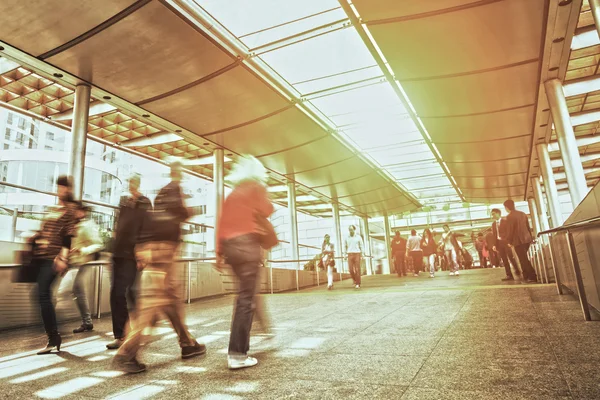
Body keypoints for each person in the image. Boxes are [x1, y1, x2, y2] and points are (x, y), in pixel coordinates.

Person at [113, 161, 205, 373]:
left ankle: (187, 344)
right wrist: (190, 210)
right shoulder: (175, 189)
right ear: (177, 173)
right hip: (164, 250)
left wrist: (142, 247)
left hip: (152, 247)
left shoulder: (160, 194)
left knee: (171, 299)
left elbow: (151, 221)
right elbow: (181, 212)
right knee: (153, 301)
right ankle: (126, 353)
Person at [217, 155, 276, 370]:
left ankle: (238, 351)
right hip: (247, 246)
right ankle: (238, 354)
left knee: (243, 298)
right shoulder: (255, 187)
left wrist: (218, 253)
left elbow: (221, 224)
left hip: (230, 250)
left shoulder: (232, 193)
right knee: (246, 301)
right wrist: (264, 192)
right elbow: (268, 209)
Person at [30, 176, 78, 354]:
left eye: (64, 187)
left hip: (55, 258)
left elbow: (68, 236)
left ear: (69, 189)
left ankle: (53, 336)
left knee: (42, 293)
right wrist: (35, 236)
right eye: (59, 187)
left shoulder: (70, 211)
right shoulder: (53, 209)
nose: (60, 190)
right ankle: (53, 335)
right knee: (40, 294)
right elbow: (43, 231)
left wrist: (63, 257)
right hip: (41, 257)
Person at [107, 174, 151, 350]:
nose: (131, 184)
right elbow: (117, 226)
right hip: (118, 253)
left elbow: (147, 226)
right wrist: (110, 251)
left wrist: (143, 249)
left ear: (138, 183)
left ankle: (138, 330)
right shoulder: (124, 202)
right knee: (115, 294)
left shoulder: (145, 202)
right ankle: (121, 335)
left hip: (133, 254)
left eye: (134, 182)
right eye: (129, 181)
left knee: (131, 293)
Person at [70, 203, 104, 333]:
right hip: (73, 263)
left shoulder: (88, 225)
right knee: (77, 290)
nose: (74, 213)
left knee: (77, 290)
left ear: (82, 212)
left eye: (76, 211)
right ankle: (87, 322)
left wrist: (82, 250)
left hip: (83, 263)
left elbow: (98, 244)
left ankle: (87, 322)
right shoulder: (75, 225)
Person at [503, 200, 537, 283]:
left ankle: (532, 276)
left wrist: (509, 241)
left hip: (518, 240)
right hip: (527, 239)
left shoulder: (509, 216)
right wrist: (531, 238)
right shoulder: (522, 213)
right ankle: (526, 275)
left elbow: (510, 230)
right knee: (523, 258)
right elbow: (528, 226)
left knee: (523, 259)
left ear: (506, 207)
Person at [490, 207, 521, 281]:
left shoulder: (505, 221)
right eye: (492, 214)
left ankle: (517, 270)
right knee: (504, 259)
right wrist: (494, 245)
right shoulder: (493, 224)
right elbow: (494, 235)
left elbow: (509, 231)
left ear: (498, 213)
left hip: (506, 242)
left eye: (493, 214)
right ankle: (509, 275)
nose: (492, 216)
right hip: (499, 243)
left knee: (511, 257)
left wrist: (510, 241)